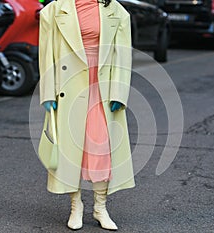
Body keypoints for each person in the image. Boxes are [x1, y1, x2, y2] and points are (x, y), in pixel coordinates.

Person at [38, 0, 135, 230]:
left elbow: (122, 54)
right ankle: (76, 206)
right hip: (68, 87)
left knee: (102, 148)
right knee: (72, 150)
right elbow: (46, 54)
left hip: (102, 87)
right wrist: (47, 92)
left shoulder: (116, 10)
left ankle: (100, 208)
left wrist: (119, 92)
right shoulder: (53, 10)